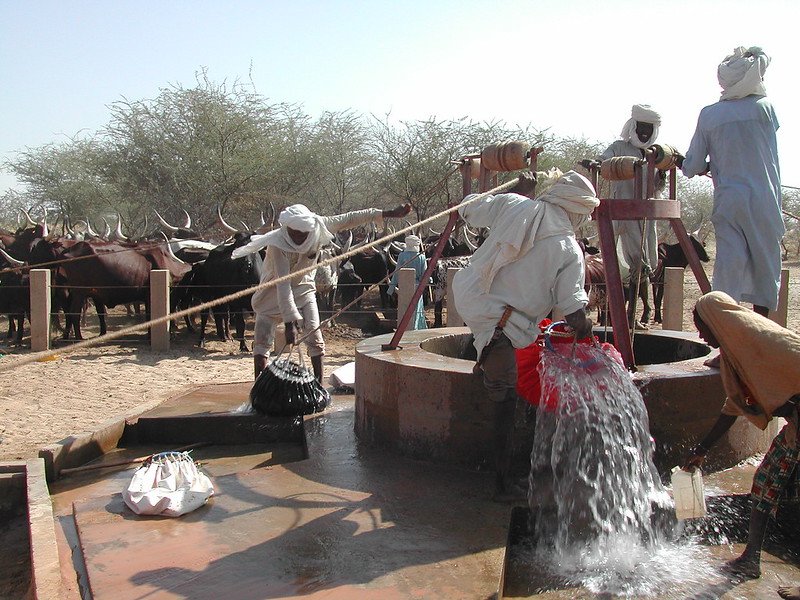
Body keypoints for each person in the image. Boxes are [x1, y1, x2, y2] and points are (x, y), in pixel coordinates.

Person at [452, 170, 596, 501]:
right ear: (576, 210)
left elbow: (469, 209)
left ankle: (485, 360)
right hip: (501, 322)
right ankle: (500, 485)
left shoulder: (515, 204)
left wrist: (518, 190)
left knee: (501, 352)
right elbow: (573, 311)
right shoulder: (569, 250)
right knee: (505, 402)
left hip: (472, 299)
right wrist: (586, 330)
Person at [683, 291, 799, 598]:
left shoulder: (764, 340)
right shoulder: (738, 353)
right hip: (796, 430)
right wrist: (701, 451)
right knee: (764, 482)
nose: (700, 334)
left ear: (716, 322)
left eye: (701, 327)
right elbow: (733, 407)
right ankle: (751, 559)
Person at [232, 202, 412, 382]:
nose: (297, 239)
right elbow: (283, 284)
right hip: (272, 290)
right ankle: (259, 386)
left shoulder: (320, 225)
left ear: (310, 230)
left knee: (315, 336)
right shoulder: (278, 244)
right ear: (286, 229)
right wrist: (289, 322)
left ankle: (318, 384)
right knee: (262, 341)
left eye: (302, 235)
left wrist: (388, 213)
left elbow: (350, 218)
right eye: (293, 234)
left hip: (304, 289)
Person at [681, 46, 783, 318]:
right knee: (765, 266)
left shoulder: (709, 114)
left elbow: (692, 166)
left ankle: (727, 349)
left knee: (728, 271)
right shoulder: (765, 108)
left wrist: (691, 163)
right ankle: (761, 338)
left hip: (728, 201)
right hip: (764, 201)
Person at [598, 103, 664, 329]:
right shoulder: (619, 147)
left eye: (648, 128)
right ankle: (621, 316)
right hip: (621, 215)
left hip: (645, 216)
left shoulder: (656, 153)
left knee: (645, 265)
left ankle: (630, 316)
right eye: (641, 128)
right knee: (625, 264)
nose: (644, 133)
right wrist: (597, 164)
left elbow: (657, 183)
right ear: (633, 126)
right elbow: (603, 160)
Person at [387, 234, 428, 330]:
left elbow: (397, 272)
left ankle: (404, 328)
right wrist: (429, 281)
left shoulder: (402, 255)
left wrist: (391, 288)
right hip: (418, 286)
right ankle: (416, 328)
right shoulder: (421, 256)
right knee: (417, 308)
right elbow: (425, 274)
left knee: (404, 307)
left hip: (404, 286)